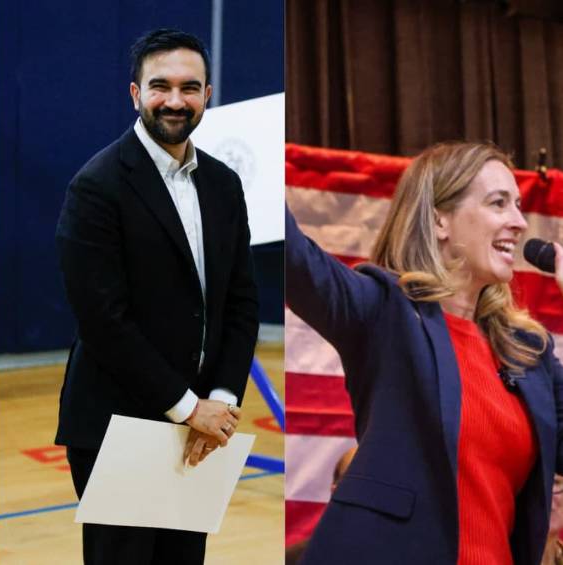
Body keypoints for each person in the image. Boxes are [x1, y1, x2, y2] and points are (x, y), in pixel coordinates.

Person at [286, 141, 563, 564]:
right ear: (439, 220)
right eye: (498, 203)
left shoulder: (529, 350)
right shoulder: (384, 312)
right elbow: (296, 261)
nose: (519, 222)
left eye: (519, 206)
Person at [55, 28, 259, 565]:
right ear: (135, 94)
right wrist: (189, 409)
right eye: (160, 86)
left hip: (202, 429)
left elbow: (241, 302)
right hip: (118, 427)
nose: (175, 100)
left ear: (207, 94)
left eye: (189, 87)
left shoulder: (224, 185)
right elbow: (104, 322)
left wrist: (222, 402)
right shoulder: (96, 186)